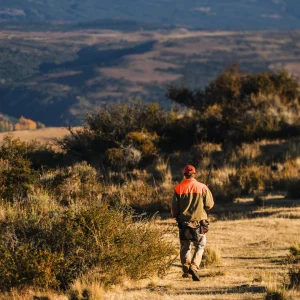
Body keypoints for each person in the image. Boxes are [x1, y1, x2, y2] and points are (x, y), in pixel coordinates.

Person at [171, 165, 214, 281]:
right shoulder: (203, 187)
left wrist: (176, 217)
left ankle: (186, 265)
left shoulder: (178, 188)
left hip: (184, 223)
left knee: (185, 246)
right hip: (200, 223)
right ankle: (194, 266)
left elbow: (174, 208)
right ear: (194, 174)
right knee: (200, 245)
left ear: (184, 175)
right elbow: (209, 205)